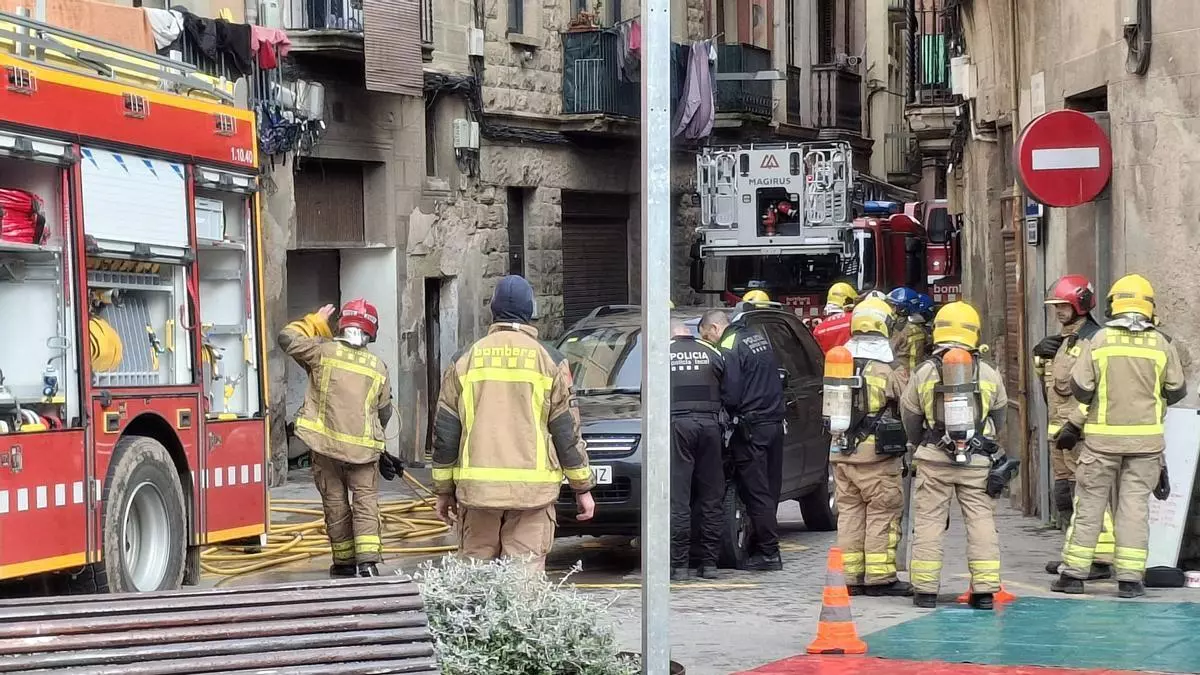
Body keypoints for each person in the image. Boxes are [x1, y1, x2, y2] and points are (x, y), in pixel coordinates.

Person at [431, 275, 596, 571]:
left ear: (492, 311)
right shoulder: (550, 360)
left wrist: (443, 491)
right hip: (531, 494)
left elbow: (445, 432)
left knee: (475, 585)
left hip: (477, 494)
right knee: (523, 586)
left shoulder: (464, 359)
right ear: (530, 311)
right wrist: (581, 487)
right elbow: (565, 431)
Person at [1051, 274, 1186, 598]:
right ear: (1148, 307)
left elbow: (1080, 388)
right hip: (1146, 445)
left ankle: (1073, 576)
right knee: (1134, 509)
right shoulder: (1161, 342)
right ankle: (1129, 580)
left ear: (1114, 305)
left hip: (1101, 443)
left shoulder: (1100, 341)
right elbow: (1176, 390)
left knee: (1090, 507)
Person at [900, 301, 1010, 610]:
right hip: (977, 462)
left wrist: (922, 442)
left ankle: (924, 590)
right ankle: (986, 590)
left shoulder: (924, 372)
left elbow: (909, 414)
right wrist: (983, 442)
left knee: (929, 522)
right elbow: (1000, 415)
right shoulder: (987, 371)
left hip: (934, 459)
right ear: (974, 333)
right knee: (981, 522)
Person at [279, 299, 395, 578]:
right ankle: (367, 564)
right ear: (371, 332)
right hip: (364, 453)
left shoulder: (322, 352)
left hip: (326, 447)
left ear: (342, 324)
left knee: (335, 503)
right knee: (365, 503)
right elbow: (384, 411)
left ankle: (343, 563)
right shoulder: (377, 366)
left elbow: (286, 338)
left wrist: (315, 322)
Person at [1033, 275, 1115, 579]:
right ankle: (1074, 555)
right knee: (1065, 495)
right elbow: (1051, 388)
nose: (1059, 311)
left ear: (1080, 304)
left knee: (1089, 494)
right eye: (1056, 306)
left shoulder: (1094, 339)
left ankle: (1100, 558)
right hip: (1059, 435)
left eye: (1063, 306)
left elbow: (1096, 390)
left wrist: (1077, 426)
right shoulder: (1064, 341)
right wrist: (1040, 357)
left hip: (1081, 435)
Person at [829, 299, 911, 597]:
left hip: (840, 452)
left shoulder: (837, 363)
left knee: (849, 513)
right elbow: (909, 406)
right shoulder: (887, 370)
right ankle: (880, 578)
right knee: (882, 512)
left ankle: (850, 576)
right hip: (876, 456)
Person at [700, 309, 787, 571]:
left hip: (751, 428)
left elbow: (732, 392)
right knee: (770, 488)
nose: (710, 343)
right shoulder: (756, 336)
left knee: (755, 490)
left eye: (707, 337)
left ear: (715, 328)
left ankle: (769, 553)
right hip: (774, 423)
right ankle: (765, 545)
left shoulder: (728, 344)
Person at [669, 318, 727, 580]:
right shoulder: (712, 352)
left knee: (678, 498)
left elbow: (646, 397)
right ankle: (710, 563)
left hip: (677, 426)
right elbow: (731, 392)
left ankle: (679, 566)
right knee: (711, 497)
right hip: (710, 426)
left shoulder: (660, 354)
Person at [886, 287, 929, 376]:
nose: (891, 309)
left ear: (903, 309)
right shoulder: (920, 328)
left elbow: (888, 352)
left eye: (894, 306)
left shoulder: (901, 330)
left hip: (901, 375)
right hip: (916, 375)